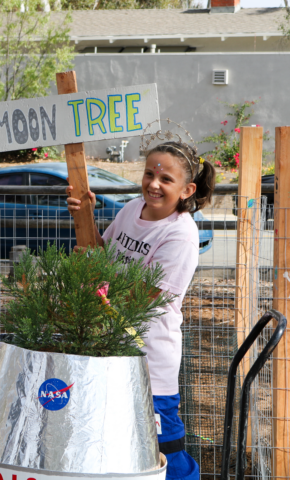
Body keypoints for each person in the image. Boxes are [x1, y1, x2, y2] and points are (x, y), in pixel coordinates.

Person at [67, 141, 215, 480]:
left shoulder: (181, 234)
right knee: (115, 448)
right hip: (110, 352)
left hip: (150, 364)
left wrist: (95, 275)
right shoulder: (131, 209)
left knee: (164, 454)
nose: (153, 184)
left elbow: (143, 297)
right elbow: (103, 252)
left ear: (187, 190)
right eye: (149, 173)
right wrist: (83, 218)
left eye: (166, 179)